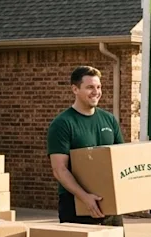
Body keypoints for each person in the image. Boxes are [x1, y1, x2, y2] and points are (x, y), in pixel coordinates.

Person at [47, 66, 124, 226]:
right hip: (76, 205)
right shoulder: (63, 124)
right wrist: (85, 197)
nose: (96, 92)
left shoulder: (109, 120)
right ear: (75, 89)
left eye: (98, 87)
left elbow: (120, 159)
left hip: (109, 204)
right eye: (90, 87)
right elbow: (59, 170)